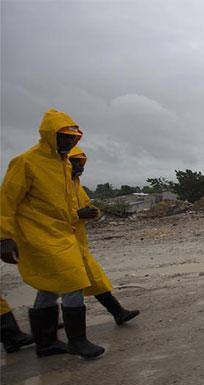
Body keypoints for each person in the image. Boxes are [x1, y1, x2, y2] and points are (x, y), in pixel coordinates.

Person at [0, 108, 104, 359]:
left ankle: (46, 343)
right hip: (36, 236)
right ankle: (78, 340)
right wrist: (3, 237)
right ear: (50, 135)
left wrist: (82, 214)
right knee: (74, 282)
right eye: (65, 137)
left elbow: (67, 205)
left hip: (61, 234)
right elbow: (7, 201)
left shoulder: (64, 165)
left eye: (73, 138)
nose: (70, 142)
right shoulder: (26, 162)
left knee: (49, 287)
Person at [68, 147, 140, 325]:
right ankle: (56, 335)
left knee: (93, 278)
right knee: (61, 285)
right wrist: (76, 215)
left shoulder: (76, 185)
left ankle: (118, 312)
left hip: (76, 242)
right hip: (55, 241)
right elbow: (44, 213)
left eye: (81, 162)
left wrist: (94, 213)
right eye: (75, 162)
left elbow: (88, 206)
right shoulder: (53, 184)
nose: (80, 166)